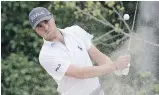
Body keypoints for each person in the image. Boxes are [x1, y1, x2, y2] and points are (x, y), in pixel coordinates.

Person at [28, 7, 131, 95]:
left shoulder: (75, 31)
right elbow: (80, 73)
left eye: (46, 21)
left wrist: (116, 68)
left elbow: (99, 57)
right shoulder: (45, 56)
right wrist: (114, 66)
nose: (45, 27)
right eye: (39, 26)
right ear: (35, 31)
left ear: (53, 18)